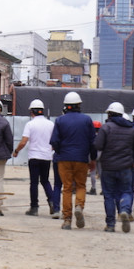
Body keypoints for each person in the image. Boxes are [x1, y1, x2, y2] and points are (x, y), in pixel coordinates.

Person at [94, 102, 134, 233]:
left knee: (109, 195)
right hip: (126, 167)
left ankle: (110, 225)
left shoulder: (106, 128)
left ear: (110, 114)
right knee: (127, 191)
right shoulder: (131, 129)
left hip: (108, 168)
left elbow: (98, 146)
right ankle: (124, 210)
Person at [49, 91, 96, 230]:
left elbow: (54, 141)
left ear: (66, 105)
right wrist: (92, 159)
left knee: (67, 188)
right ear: (79, 105)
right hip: (81, 158)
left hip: (64, 158)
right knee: (81, 186)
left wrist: (60, 152)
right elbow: (93, 142)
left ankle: (67, 220)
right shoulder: (87, 120)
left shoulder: (59, 120)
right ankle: (79, 206)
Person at [13, 99, 57, 217]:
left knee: (34, 183)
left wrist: (16, 151)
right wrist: (49, 150)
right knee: (45, 180)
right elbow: (54, 141)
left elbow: (23, 141)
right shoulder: (50, 124)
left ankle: (34, 207)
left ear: (32, 111)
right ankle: (52, 203)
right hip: (47, 157)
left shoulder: (30, 124)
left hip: (34, 157)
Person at [88, 121, 102, 195]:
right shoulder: (101, 136)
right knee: (101, 173)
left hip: (92, 156)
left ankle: (93, 188)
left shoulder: (91, 136)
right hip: (101, 155)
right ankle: (103, 189)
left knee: (92, 172)